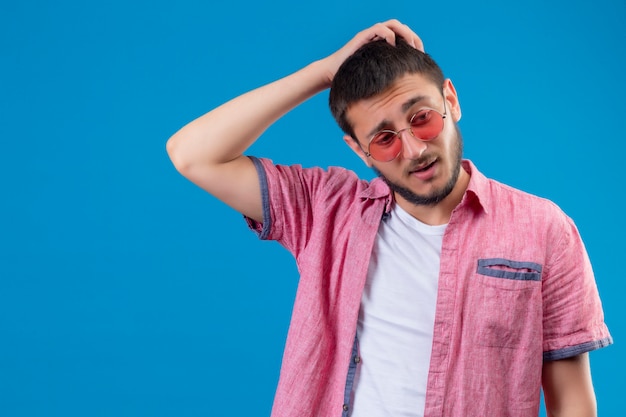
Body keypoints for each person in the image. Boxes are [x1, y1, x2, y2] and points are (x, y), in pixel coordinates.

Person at [166, 19, 612, 417]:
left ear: (450, 101)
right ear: (359, 151)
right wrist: (323, 73)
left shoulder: (543, 228)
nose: (415, 149)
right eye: (383, 139)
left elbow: (572, 402)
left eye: (421, 119)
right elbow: (192, 155)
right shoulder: (326, 210)